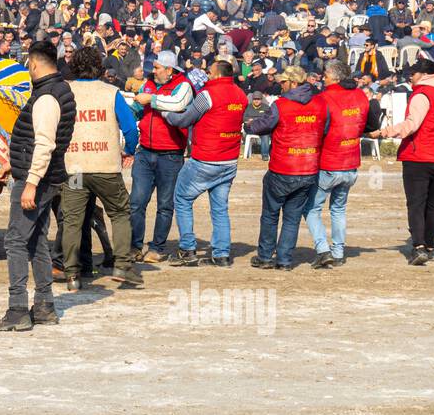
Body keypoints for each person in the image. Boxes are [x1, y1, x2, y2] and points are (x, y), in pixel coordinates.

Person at [0, 40, 76, 332]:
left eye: (27, 63)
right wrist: (14, 164)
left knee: (14, 241)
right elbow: (41, 141)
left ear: (34, 63)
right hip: (44, 176)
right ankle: (44, 306)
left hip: (37, 181)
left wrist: (30, 183)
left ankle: (17, 310)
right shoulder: (59, 90)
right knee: (37, 241)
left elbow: (45, 144)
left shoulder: (46, 97)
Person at [59, 46, 141, 289]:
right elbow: (130, 129)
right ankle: (123, 265)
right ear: (100, 67)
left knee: (72, 220)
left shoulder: (64, 92)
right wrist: (129, 150)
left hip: (74, 167)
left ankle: (72, 275)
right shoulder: (111, 92)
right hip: (105, 166)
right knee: (119, 213)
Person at [159, 59, 248, 266]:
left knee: (181, 199)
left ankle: (187, 249)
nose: (207, 76)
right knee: (220, 209)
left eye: (209, 72)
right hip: (229, 160)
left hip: (206, 158)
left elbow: (184, 120)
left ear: (217, 75)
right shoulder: (241, 95)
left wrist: (164, 113)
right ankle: (221, 254)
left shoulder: (207, 95)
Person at [304, 59, 382, 268]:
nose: (323, 78)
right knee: (338, 209)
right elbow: (371, 124)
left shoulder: (324, 98)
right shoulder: (360, 95)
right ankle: (338, 251)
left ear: (335, 77)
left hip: (329, 161)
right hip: (350, 161)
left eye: (326, 75)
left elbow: (318, 129)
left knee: (311, 208)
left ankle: (322, 249)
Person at [379, 58, 434, 265]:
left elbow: (412, 125)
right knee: (432, 204)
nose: (410, 79)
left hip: (421, 155)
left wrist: (384, 132)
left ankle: (419, 247)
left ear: (423, 75)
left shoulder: (422, 94)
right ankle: (432, 248)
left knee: (416, 204)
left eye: (412, 75)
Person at [245, 65, 324, 270]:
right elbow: (324, 129)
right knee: (292, 217)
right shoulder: (320, 104)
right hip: (308, 168)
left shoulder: (281, 105)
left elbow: (262, 126)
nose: (280, 85)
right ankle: (284, 260)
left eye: (283, 82)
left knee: (271, 214)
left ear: (293, 83)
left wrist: (248, 125)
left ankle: (265, 257)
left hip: (283, 167)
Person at [128, 49, 193, 263]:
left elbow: (178, 105)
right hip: (145, 151)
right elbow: (139, 108)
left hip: (171, 154)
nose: (153, 71)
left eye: (157, 68)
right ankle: (135, 246)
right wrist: (133, 108)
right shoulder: (148, 84)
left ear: (169, 69)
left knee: (165, 204)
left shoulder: (183, 85)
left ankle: (157, 247)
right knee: (137, 202)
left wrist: (151, 99)